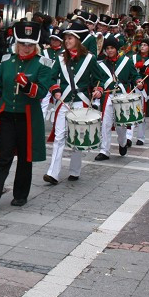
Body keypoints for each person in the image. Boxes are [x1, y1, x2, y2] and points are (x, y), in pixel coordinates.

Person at [0, 21, 53, 209]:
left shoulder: (43, 63)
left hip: (27, 118)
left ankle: (20, 194)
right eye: (22, 43)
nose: (25, 48)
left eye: (30, 44)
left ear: (35, 45)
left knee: (24, 157)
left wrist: (28, 85)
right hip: (7, 115)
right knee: (4, 156)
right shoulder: (7, 60)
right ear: (17, 43)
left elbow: (42, 92)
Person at [44, 22, 101, 184]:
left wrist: (98, 90)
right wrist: (55, 90)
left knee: (77, 137)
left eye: (70, 38)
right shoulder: (60, 57)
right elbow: (52, 77)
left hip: (81, 102)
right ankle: (53, 172)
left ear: (78, 40)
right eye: (66, 38)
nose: (66, 41)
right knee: (59, 136)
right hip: (64, 102)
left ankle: (75, 170)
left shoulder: (90, 58)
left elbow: (99, 78)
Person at [94, 37, 143, 161]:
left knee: (121, 124)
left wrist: (138, 80)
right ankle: (104, 150)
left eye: (112, 48)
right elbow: (98, 81)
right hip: (107, 97)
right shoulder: (101, 64)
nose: (110, 51)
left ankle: (122, 143)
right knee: (105, 123)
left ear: (117, 49)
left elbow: (134, 75)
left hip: (122, 96)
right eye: (107, 48)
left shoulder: (126, 61)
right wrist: (98, 89)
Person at [128, 38, 149, 146]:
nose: (143, 47)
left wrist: (145, 69)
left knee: (142, 113)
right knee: (131, 111)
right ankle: (128, 137)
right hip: (133, 87)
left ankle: (141, 137)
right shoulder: (134, 58)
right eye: (142, 45)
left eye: (145, 45)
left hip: (146, 88)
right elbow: (130, 72)